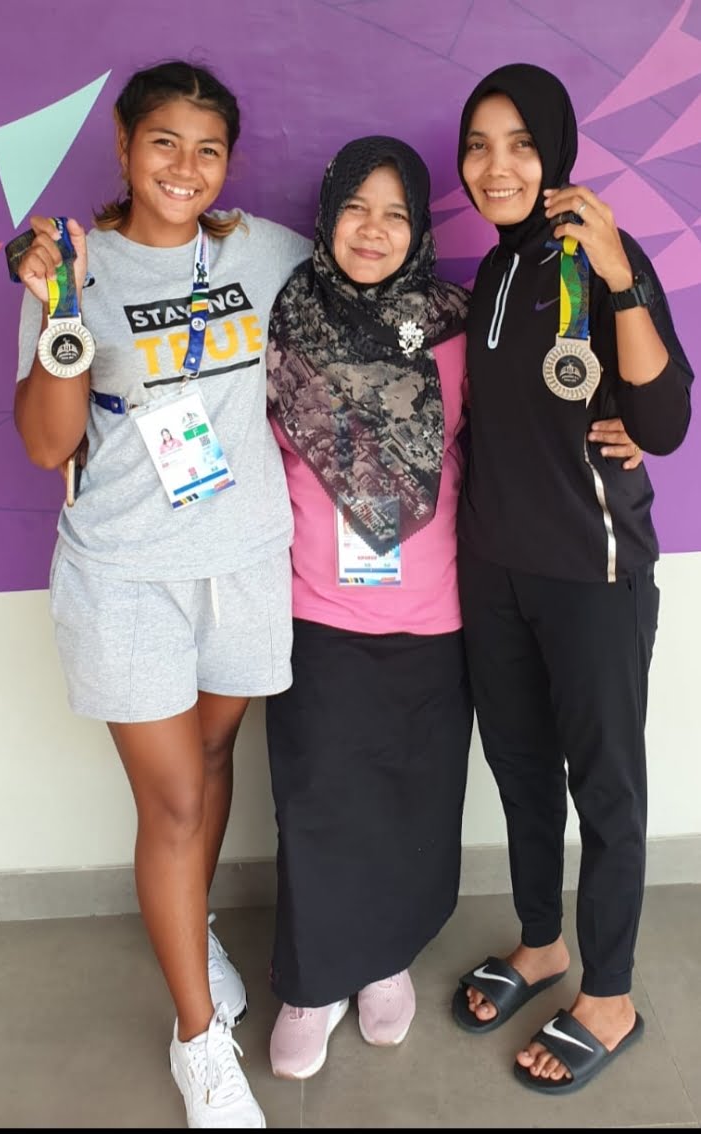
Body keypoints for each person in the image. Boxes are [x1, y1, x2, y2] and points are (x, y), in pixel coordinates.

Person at [12, 59, 311, 1128]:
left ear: (228, 162)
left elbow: (374, 271)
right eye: (163, 143)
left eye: (207, 149)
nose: (185, 168)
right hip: (126, 571)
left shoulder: (261, 251)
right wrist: (56, 302)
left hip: (244, 559)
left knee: (215, 762)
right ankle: (198, 1042)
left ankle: (197, 930)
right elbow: (47, 444)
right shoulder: (74, 270)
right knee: (175, 801)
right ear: (125, 147)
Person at [449, 62, 694, 1094]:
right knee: (518, 770)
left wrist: (618, 271)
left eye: (517, 144)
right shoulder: (489, 272)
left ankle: (610, 992)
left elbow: (663, 422)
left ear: (553, 152)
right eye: (477, 146)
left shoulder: (597, 256)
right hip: (492, 568)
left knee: (604, 786)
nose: (495, 166)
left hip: (590, 572)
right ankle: (541, 942)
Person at [264, 135, 474, 1079]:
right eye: (355, 207)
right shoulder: (283, 320)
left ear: (418, 228)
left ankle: (385, 958)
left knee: (411, 800)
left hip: (435, 614)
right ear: (327, 215)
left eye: (395, 213)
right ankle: (312, 982)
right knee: (317, 803)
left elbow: (515, 441)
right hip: (315, 613)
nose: (373, 230)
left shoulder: (455, 326)